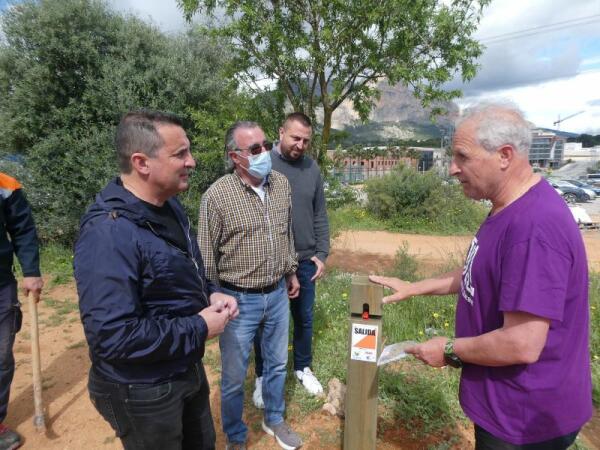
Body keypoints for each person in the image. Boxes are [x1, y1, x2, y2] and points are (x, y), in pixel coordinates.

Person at [370, 102, 592, 449]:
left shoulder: (533, 228)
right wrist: (414, 287)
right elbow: (477, 273)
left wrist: (447, 349)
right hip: (505, 404)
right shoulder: (507, 207)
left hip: (524, 419)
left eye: (462, 157)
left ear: (504, 155)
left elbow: (521, 342)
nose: (453, 170)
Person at [74, 110, 237, 450]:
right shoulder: (109, 233)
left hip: (184, 366)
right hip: (142, 389)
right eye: (180, 154)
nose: (192, 161)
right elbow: (113, 337)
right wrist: (199, 327)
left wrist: (211, 293)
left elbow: (189, 263)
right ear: (141, 162)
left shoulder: (170, 205)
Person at [198, 121, 302, 450]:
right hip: (236, 299)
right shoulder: (217, 197)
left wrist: (290, 271)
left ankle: (274, 418)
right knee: (233, 377)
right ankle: (236, 437)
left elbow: (285, 234)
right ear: (236, 156)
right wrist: (211, 295)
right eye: (254, 149)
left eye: (266, 144)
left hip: (276, 295)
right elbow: (205, 254)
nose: (265, 152)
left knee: (277, 364)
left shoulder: (281, 184)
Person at [252, 112, 329, 408]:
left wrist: (322, 253)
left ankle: (302, 367)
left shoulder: (312, 169)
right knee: (266, 322)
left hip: (305, 260)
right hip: (270, 260)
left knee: (304, 319)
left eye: (306, 140)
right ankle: (261, 375)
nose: (300, 145)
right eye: (295, 138)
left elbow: (320, 213)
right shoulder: (264, 164)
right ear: (281, 132)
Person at [0, 173, 43, 450]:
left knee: (1, 355)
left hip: (0, 283)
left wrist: (31, 271)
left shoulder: (5, 185)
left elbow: (23, 228)